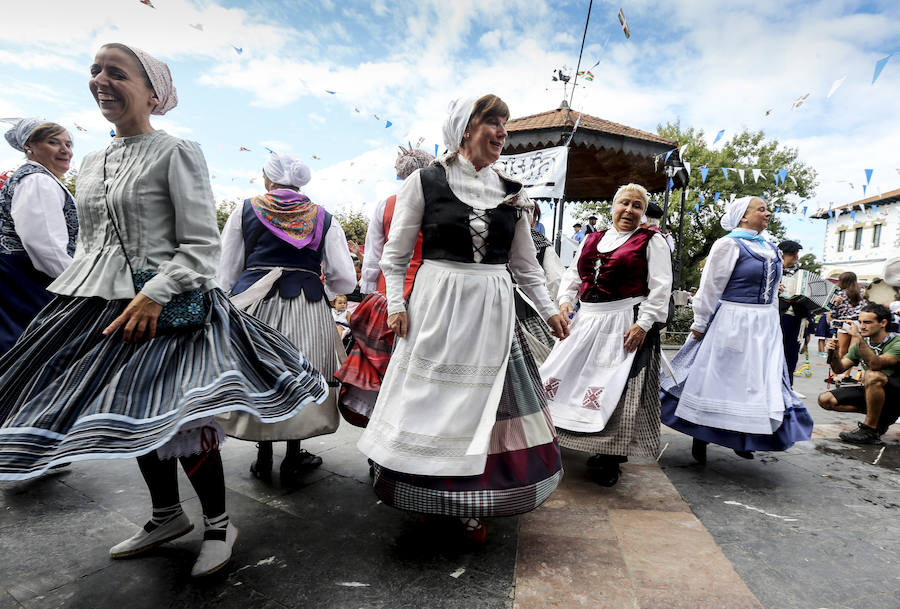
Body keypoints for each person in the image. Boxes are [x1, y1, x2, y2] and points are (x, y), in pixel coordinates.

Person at [0, 44, 329, 577]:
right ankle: (166, 516)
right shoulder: (89, 161)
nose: (101, 80)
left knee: (183, 419)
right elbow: (91, 243)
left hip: (167, 306)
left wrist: (155, 293)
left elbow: (200, 245)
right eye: (95, 71)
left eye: (116, 72)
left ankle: (220, 523)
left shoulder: (177, 151)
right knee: (134, 412)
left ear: (153, 92)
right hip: (101, 305)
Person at [356, 95, 570, 541]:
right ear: (465, 128)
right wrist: (396, 305)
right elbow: (394, 258)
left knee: (485, 405)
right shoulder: (425, 181)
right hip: (436, 300)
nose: (502, 132)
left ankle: (472, 503)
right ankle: (424, 491)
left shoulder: (513, 191)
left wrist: (549, 310)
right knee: (429, 399)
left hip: (492, 303)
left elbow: (526, 265)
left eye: (504, 124)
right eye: (492, 122)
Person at [217, 152, 356, 485]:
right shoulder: (324, 218)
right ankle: (294, 456)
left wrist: (225, 299)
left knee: (261, 370)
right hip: (306, 301)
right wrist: (334, 288)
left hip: (255, 304)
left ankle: (263, 456)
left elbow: (226, 268)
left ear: (268, 179)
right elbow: (344, 278)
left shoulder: (245, 209)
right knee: (302, 371)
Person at [660, 196, 814, 462]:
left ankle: (746, 436)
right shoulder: (728, 244)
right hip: (733, 320)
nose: (768, 213)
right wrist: (700, 323)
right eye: (761, 209)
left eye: (768, 209)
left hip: (764, 324)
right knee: (719, 378)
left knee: (756, 381)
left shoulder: (770, 247)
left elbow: (773, 289)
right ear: (743, 215)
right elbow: (710, 286)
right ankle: (702, 435)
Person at [540, 183, 672, 486]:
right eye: (624, 203)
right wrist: (564, 303)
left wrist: (644, 324)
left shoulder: (651, 241)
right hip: (586, 320)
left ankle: (609, 458)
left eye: (637, 206)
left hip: (623, 321)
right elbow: (573, 276)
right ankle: (550, 438)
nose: (629, 210)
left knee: (614, 388)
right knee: (563, 377)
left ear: (643, 213)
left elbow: (660, 287)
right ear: (613, 206)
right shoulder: (591, 239)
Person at [335, 145, 435, 428]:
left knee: (385, 370)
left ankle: (381, 434)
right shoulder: (439, 203)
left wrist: (369, 295)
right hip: (428, 294)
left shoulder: (386, 204)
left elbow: (375, 256)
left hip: (386, 295)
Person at [0, 119, 77, 355]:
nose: (65, 150)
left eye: (68, 143)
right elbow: (45, 247)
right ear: (29, 146)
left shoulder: (37, 178)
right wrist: (79, 285)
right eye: (53, 142)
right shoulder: (37, 180)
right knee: (23, 351)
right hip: (26, 279)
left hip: (20, 276)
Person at [818, 304, 900, 444]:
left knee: (871, 375)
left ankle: (870, 430)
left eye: (867, 322)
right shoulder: (862, 344)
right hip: (875, 393)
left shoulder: (897, 343)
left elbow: (876, 364)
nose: (862, 326)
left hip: (896, 396)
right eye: (860, 321)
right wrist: (834, 354)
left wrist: (858, 337)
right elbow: (839, 369)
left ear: (883, 323)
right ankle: (879, 417)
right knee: (825, 399)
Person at [777, 240, 809, 385]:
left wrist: (808, 321)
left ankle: (788, 386)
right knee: (775, 353)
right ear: (782, 255)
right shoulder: (773, 270)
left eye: (797, 253)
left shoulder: (802, 274)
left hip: (797, 319)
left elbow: (810, 299)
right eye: (792, 253)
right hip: (778, 317)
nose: (795, 256)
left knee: (791, 354)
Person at [831, 271, 866, 384]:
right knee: (852, 351)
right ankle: (846, 375)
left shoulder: (840, 294)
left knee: (841, 350)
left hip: (844, 323)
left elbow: (833, 314)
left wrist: (835, 305)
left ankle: (836, 375)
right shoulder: (862, 293)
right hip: (857, 323)